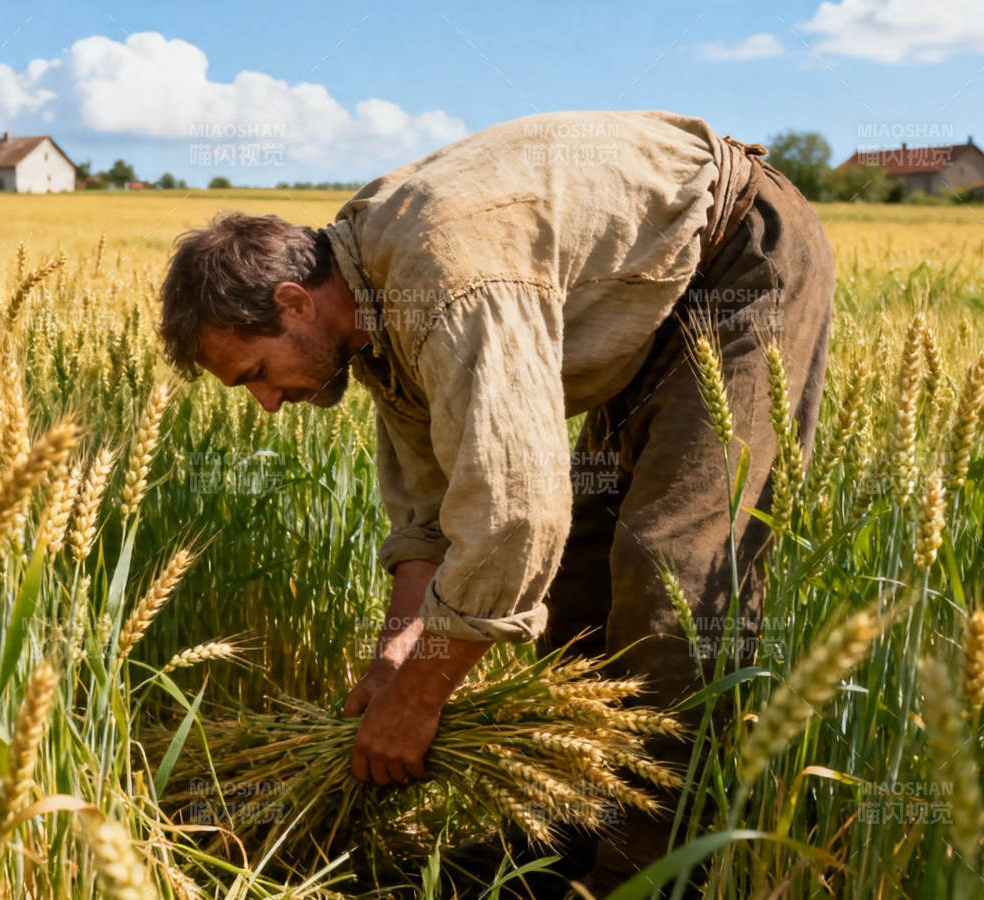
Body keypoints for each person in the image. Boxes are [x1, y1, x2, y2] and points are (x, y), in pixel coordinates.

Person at [157, 109, 833, 894]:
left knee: (669, 575)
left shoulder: (441, 275)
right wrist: (395, 657)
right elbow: (431, 511)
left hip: (731, 260)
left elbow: (515, 514)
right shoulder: (365, 307)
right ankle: (564, 839)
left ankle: (646, 871)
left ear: (293, 301)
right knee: (580, 582)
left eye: (255, 375)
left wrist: (418, 702)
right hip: (645, 302)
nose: (268, 403)